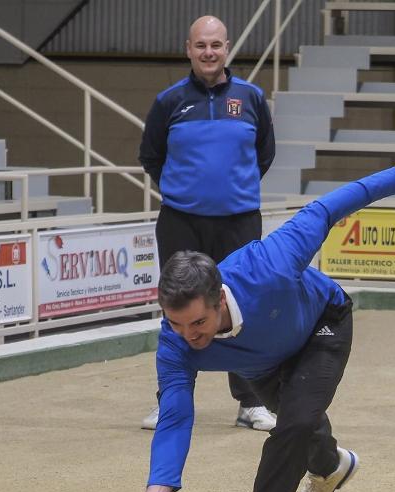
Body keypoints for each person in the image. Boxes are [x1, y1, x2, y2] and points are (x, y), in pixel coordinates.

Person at [140, 144, 395, 492]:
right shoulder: (175, 343)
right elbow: (174, 415)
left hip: (323, 325)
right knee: (306, 432)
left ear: (219, 297)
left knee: (297, 420)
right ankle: (332, 467)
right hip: (262, 363)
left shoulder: (269, 266)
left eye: (197, 324)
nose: (188, 336)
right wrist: (158, 491)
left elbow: (323, 210)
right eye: (175, 324)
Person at [138, 16, 277, 432]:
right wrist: (186, 193)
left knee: (240, 306)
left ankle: (251, 402)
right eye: (201, 46)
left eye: (216, 45)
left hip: (239, 222)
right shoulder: (169, 101)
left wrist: (231, 191)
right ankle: (172, 400)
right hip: (182, 222)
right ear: (189, 49)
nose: (209, 53)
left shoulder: (252, 98)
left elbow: (263, 155)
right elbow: (151, 157)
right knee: (178, 309)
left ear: (227, 47)